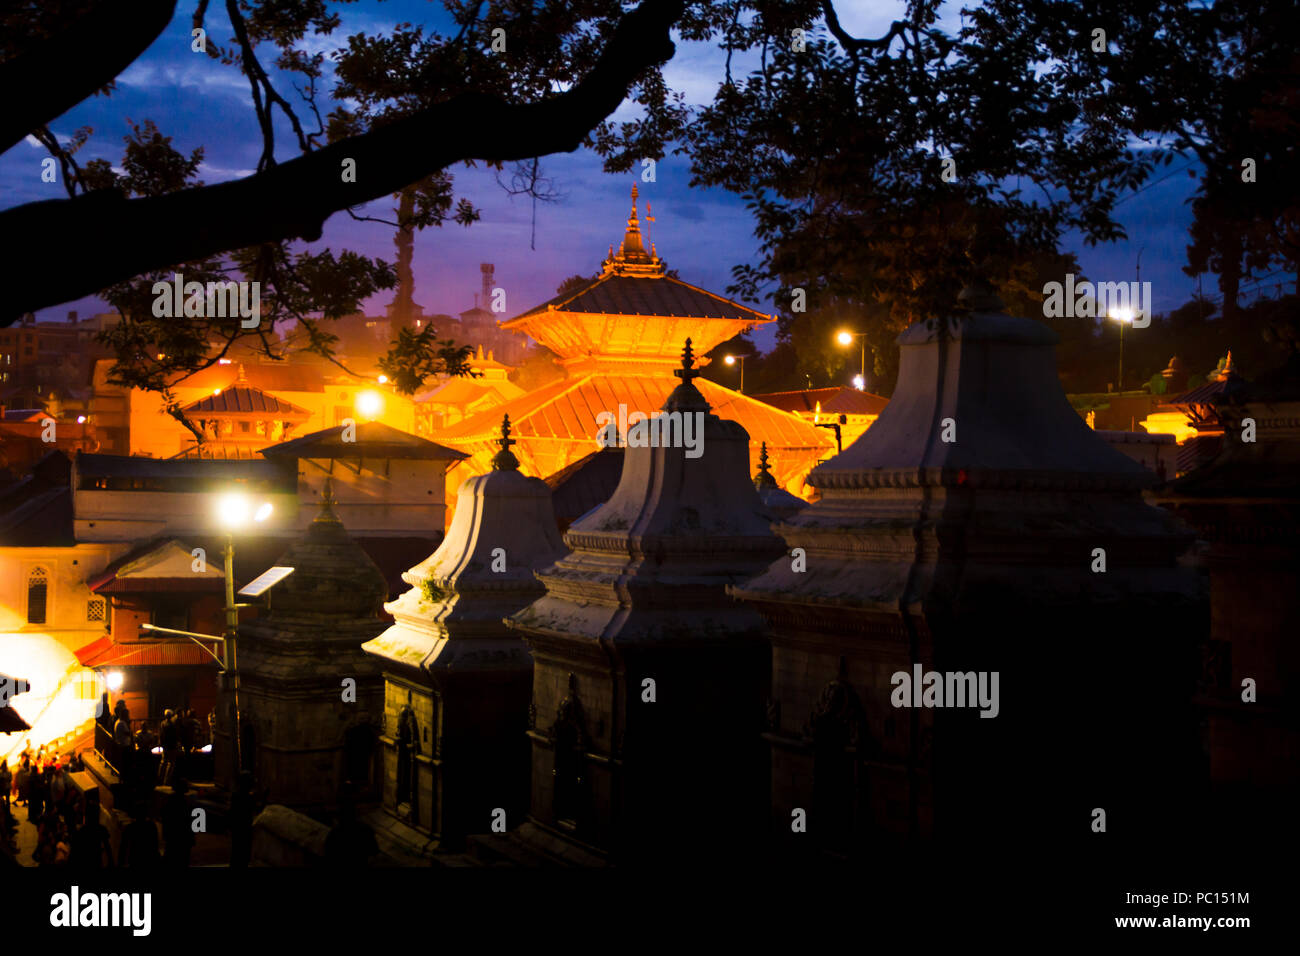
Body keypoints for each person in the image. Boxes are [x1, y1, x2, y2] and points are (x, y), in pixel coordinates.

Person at [161, 778, 195, 868]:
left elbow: (165, 818)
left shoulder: (170, 801)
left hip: (173, 836)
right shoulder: (187, 803)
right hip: (183, 837)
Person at [119, 802, 160, 869]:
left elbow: (123, 846)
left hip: (135, 859)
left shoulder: (131, 827)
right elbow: (155, 844)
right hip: (149, 859)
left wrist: (121, 862)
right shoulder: (151, 826)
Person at [229, 771, 255, 868]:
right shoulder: (247, 798)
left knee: (236, 853)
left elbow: (231, 813)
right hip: (244, 829)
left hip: (238, 829)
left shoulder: (236, 796)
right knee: (242, 855)